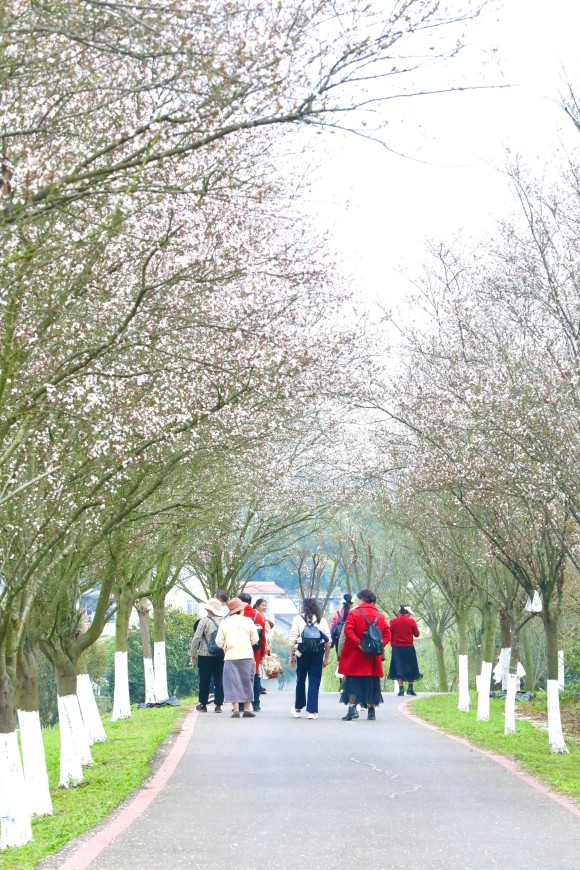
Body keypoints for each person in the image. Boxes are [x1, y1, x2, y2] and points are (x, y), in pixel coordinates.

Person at [338, 589, 390, 721]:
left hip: (356, 655)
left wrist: (359, 644)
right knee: (372, 683)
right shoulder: (380, 615)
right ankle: (371, 712)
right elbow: (387, 634)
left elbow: (348, 630)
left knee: (352, 682)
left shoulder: (354, 613)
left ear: (361, 599)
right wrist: (378, 645)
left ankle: (352, 709)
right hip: (372, 657)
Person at [216, 597, 259, 718]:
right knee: (247, 681)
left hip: (230, 656)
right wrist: (247, 643)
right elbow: (255, 639)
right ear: (240, 609)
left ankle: (235, 710)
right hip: (246, 655)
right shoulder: (248, 621)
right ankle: (246, 709)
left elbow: (218, 641)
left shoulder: (224, 623)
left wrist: (225, 646)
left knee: (232, 682)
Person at [289, 597, 331, 719]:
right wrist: (326, 658)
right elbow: (328, 641)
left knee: (300, 680)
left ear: (303, 606)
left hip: (301, 654)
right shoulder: (321, 620)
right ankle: (312, 711)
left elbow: (292, 639)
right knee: (314, 681)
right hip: (317, 654)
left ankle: (297, 708)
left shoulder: (298, 619)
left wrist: (291, 656)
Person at [189, 598, 225, 713]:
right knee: (219, 680)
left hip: (205, 655)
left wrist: (192, 653)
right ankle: (218, 705)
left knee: (204, 680)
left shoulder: (204, 620)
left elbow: (197, 637)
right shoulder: (224, 621)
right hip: (220, 655)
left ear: (208, 609)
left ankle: (203, 704)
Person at [239, 591, 267, 711]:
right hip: (255, 650)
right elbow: (263, 638)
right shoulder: (259, 616)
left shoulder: (238, 616)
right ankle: (256, 704)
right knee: (255, 676)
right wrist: (261, 655)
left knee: (240, 677)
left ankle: (240, 705)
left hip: (239, 649)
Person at [388, 605, 422, 696]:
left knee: (397, 667)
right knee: (411, 667)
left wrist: (392, 645)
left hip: (397, 648)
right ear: (407, 613)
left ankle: (401, 689)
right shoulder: (411, 621)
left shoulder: (393, 621)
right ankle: (410, 688)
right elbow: (417, 634)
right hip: (408, 647)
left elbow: (390, 634)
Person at [254, 598, 275, 695]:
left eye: (265, 605)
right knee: (259, 665)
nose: (264, 607)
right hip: (261, 642)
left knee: (261, 666)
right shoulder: (257, 615)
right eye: (262, 605)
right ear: (257, 605)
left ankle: (259, 685)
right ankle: (257, 686)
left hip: (264, 641)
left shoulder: (263, 616)